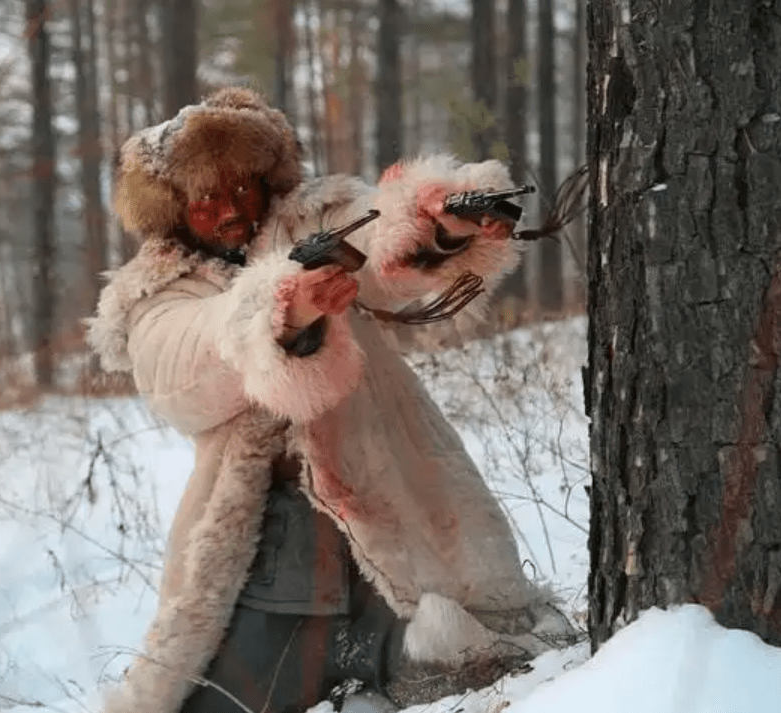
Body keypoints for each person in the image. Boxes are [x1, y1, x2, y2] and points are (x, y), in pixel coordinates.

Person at [86, 87, 574, 713]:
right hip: (272, 541)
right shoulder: (153, 295)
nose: (231, 209)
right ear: (176, 209)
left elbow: (378, 242)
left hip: (393, 494)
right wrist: (286, 307)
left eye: (242, 188)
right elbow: (187, 362)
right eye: (208, 198)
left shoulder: (310, 217)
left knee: (479, 657)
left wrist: (439, 223)